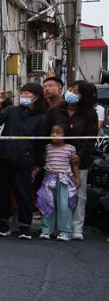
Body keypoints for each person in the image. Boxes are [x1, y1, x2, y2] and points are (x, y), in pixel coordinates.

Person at [0, 82, 48, 239]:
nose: (24, 95)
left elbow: (40, 144)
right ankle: (3, 224)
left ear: (37, 96)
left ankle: (25, 227)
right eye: (22, 92)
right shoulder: (11, 110)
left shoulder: (41, 119)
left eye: (28, 93)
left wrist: (38, 164)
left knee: (24, 193)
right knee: (1, 192)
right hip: (4, 158)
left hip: (25, 161)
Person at [46, 80, 98, 240]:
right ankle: (56, 227)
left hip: (79, 162)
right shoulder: (54, 111)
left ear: (84, 96)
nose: (71, 94)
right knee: (54, 196)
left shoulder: (90, 113)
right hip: (56, 161)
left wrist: (80, 155)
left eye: (77, 92)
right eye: (70, 90)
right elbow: (45, 134)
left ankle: (76, 229)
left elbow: (91, 138)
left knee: (78, 194)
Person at [38, 124, 81, 241]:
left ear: (65, 135)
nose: (54, 135)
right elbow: (42, 163)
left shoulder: (70, 148)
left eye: (58, 132)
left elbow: (75, 165)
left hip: (64, 180)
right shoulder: (47, 147)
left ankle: (65, 231)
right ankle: (46, 230)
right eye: (52, 132)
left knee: (64, 206)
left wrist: (77, 178)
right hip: (48, 179)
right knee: (47, 203)